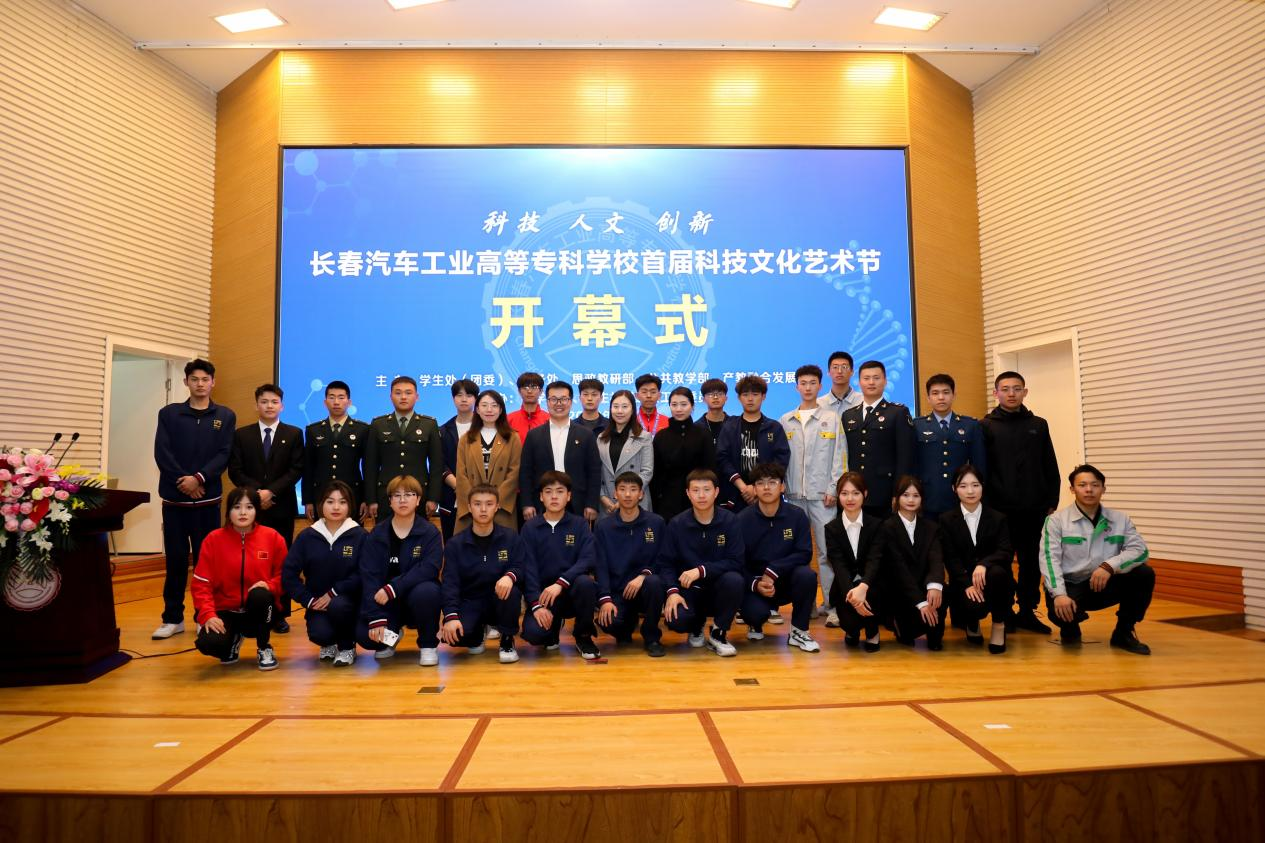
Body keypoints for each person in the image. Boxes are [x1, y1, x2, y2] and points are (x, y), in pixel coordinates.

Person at [152, 358, 236, 640]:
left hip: (207, 504)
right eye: (195, 379)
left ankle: (204, 616)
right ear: (186, 382)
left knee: (207, 563)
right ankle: (172, 618)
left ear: (213, 382)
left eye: (205, 379)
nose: (200, 384)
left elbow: (224, 454)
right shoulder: (169, 414)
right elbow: (162, 452)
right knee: (175, 562)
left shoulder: (225, 415)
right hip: (175, 502)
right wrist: (185, 482)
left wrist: (199, 479)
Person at [1041, 464, 1154, 655]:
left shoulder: (1120, 519)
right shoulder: (1056, 521)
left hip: (1103, 584)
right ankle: (1070, 627)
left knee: (1144, 574)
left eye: (1095, 485)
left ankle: (1123, 632)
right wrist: (1059, 594)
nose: (1089, 490)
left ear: (1103, 489)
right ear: (1072, 489)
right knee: (1061, 613)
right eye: (1082, 485)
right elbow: (1049, 560)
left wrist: (1109, 566)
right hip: (1071, 585)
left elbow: (1140, 551)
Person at [980, 371, 1061, 635]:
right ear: (996, 393)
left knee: (1031, 563)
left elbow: (1050, 464)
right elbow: (982, 469)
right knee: (1002, 563)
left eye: (1017, 388)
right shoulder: (986, 426)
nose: (1011, 393)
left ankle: (1027, 610)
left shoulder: (1038, 424)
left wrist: (1052, 499)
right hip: (998, 510)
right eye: (1005, 389)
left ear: (1025, 392)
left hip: (1033, 508)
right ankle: (1004, 613)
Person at [228, 383, 305, 632]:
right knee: (251, 559)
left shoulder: (293, 434)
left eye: (274, 402)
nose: (269, 406)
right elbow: (235, 470)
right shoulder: (242, 435)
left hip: (281, 506)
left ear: (282, 406)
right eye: (264, 402)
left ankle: (280, 613)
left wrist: (271, 492)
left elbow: (296, 469)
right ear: (256, 405)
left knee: (281, 561)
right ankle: (249, 609)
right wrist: (257, 494)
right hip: (249, 509)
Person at [191, 486, 287, 670]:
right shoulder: (213, 540)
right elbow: (201, 584)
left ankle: (264, 647)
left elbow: (285, 576)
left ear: (256, 511)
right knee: (209, 643)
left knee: (260, 594)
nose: (243, 512)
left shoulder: (273, 537)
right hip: (225, 610)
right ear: (228, 511)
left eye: (249, 507)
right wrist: (208, 615)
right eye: (237, 507)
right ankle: (233, 639)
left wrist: (270, 585)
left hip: (259, 610)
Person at [780, 364, 847, 626]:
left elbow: (840, 456)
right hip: (794, 496)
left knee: (827, 552)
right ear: (796, 386)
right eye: (803, 383)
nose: (807, 388)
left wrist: (834, 488)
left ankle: (831, 605)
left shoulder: (831, 418)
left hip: (823, 497)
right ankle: (804, 604)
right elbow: (782, 459)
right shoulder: (786, 419)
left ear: (820, 386)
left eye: (812, 383)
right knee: (797, 553)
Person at [356, 475, 444, 665]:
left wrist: (393, 588)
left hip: (416, 600)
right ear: (389, 501)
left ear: (418, 500)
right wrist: (376, 617)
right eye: (397, 495)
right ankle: (392, 637)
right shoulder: (377, 534)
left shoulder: (430, 532)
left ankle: (428, 645)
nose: (402, 500)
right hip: (386, 603)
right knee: (365, 636)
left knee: (428, 591)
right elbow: (369, 576)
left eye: (409, 494)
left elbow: (430, 568)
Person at [659, 469, 745, 657]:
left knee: (735, 580)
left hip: (719, 589)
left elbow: (736, 561)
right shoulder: (676, 524)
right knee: (677, 620)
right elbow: (666, 563)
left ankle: (718, 633)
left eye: (707, 489)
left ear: (716, 492)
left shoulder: (730, 521)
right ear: (688, 494)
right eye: (696, 490)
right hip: (688, 590)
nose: (701, 495)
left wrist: (701, 570)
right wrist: (672, 592)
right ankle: (695, 625)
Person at [735, 463, 821, 653]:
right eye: (760, 483)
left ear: (782, 487)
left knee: (807, 575)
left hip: (787, 581)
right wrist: (755, 584)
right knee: (754, 614)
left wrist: (774, 569)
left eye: (772, 482)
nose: (766, 487)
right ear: (754, 489)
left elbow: (804, 553)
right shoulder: (742, 520)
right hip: (758, 585)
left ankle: (799, 631)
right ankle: (755, 624)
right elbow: (737, 562)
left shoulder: (797, 516)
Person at [519, 471, 602, 659]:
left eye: (560, 491)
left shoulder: (580, 525)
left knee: (586, 583)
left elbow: (588, 559)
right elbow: (528, 569)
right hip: (544, 596)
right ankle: (554, 625)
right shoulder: (530, 528)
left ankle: (583, 636)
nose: (554, 497)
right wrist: (536, 605)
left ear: (569, 496)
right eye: (548, 492)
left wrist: (561, 582)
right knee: (535, 635)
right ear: (541, 497)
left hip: (572, 592)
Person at [282, 480, 364, 666]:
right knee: (320, 634)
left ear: (350, 505)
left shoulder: (359, 535)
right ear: (321, 504)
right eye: (330, 501)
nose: (336, 507)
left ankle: (347, 646)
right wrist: (309, 600)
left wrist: (334, 592)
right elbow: (288, 575)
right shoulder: (307, 537)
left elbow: (364, 573)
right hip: (318, 603)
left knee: (339, 606)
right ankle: (329, 643)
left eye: (342, 502)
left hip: (348, 602)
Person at [441, 484, 525, 664]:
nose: (483, 509)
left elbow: (521, 566)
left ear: (497, 507)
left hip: (499, 600)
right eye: (477, 504)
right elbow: (450, 583)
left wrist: (510, 576)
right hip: (470, 601)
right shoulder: (455, 544)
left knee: (512, 590)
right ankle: (477, 633)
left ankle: (507, 639)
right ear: (469, 507)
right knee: (455, 637)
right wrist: (450, 616)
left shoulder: (511, 538)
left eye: (489, 504)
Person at [938, 465, 1014, 654]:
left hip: (994, 580)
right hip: (964, 581)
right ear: (954, 489)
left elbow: (1005, 551)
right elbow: (950, 558)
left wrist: (984, 564)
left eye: (975, 485)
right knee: (972, 606)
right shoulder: (946, 520)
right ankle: (972, 622)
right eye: (963, 486)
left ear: (982, 486)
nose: (970, 491)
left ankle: (999, 625)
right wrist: (967, 584)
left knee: (997, 573)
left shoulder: (998, 518)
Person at [866, 475, 946, 650]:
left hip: (923, 586)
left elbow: (936, 560)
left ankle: (933, 632)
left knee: (940, 590)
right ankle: (896, 623)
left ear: (922, 499)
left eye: (916, 495)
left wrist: (934, 585)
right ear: (896, 499)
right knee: (907, 637)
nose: (911, 500)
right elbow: (898, 569)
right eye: (906, 495)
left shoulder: (931, 527)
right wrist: (921, 603)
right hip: (899, 591)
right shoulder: (886, 528)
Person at [594, 472, 668, 656]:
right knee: (609, 622)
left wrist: (644, 575)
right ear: (615, 494)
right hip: (618, 591)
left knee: (654, 582)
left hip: (645, 589)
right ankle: (625, 626)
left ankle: (651, 636)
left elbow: (663, 558)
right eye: (622, 489)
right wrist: (605, 599)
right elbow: (600, 566)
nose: (627, 494)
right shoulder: (603, 527)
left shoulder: (656, 522)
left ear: (641, 494)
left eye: (633, 489)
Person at [842, 360, 915, 522]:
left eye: (876, 378)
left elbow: (905, 457)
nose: (871, 382)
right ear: (859, 382)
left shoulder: (898, 412)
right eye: (866, 378)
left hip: (884, 492)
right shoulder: (848, 415)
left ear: (885, 381)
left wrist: (898, 492)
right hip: (854, 493)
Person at [363, 376, 444, 521]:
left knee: (418, 534)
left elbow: (436, 465)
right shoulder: (378, 424)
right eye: (398, 393)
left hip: (418, 495)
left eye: (408, 393)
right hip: (386, 496)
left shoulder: (429, 424)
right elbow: (370, 465)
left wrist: (433, 498)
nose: (403, 397)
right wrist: (371, 499)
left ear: (417, 397)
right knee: (385, 534)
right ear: (391, 397)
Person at [519, 381, 600, 521]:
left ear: (571, 402)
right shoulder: (534, 435)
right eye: (553, 399)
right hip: (541, 504)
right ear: (547, 402)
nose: (559, 403)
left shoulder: (586, 435)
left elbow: (594, 472)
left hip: (577, 504)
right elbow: (525, 472)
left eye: (563, 399)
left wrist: (592, 504)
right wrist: (527, 503)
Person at [914, 374, 986, 520]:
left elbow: (979, 464)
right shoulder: (917, 425)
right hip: (929, 496)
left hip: (961, 497)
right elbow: (912, 464)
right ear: (928, 398)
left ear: (953, 395)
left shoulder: (970, 425)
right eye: (935, 393)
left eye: (946, 392)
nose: (941, 397)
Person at [826, 472, 883, 651]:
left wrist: (863, 587)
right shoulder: (831, 528)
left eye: (855, 493)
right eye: (844, 493)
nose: (850, 499)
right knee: (850, 623)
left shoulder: (877, 525)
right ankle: (852, 630)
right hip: (846, 586)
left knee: (873, 597)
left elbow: (875, 560)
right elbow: (838, 565)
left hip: (871, 584)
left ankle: (873, 632)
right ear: (838, 496)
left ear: (864, 494)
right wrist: (854, 598)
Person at [715, 375, 790, 512]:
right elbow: (722, 458)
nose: (750, 399)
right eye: (745, 395)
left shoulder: (774, 427)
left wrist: (757, 487)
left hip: (767, 494)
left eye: (755, 394)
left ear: (763, 396)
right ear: (739, 398)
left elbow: (781, 460)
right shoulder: (730, 426)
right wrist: (743, 487)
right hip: (735, 494)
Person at [303, 380, 370, 523]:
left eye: (341, 397)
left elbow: (367, 467)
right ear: (325, 402)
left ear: (349, 402)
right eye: (332, 397)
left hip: (352, 496)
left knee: (352, 535)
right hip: (321, 496)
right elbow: (308, 468)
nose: (336, 402)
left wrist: (366, 499)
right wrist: (308, 500)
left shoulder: (362, 429)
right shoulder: (313, 430)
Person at [455, 389, 521, 531]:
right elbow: (461, 474)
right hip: (472, 508)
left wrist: (494, 501)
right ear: (477, 409)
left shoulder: (512, 437)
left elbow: (514, 472)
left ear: (501, 410)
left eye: (494, 405)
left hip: (501, 505)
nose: (489, 410)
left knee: (502, 542)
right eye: (484, 405)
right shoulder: (466, 438)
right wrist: (475, 502)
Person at [650, 387, 716, 520]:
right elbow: (656, 473)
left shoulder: (703, 434)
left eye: (684, 404)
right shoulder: (661, 436)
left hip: (698, 497)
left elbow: (711, 468)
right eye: (674, 405)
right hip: (668, 501)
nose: (678, 409)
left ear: (692, 406)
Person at [597, 389, 654, 518]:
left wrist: (625, 497)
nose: (619, 411)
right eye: (615, 406)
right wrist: (602, 497)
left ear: (632, 410)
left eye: (624, 407)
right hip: (608, 504)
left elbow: (647, 472)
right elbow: (596, 472)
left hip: (635, 501)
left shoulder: (644, 437)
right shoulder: (601, 438)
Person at [439, 378, 478, 541]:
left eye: (469, 395)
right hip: (452, 497)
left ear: (476, 399)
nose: (464, 399)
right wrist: (458, 485)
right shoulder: (442, 431)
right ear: (453, 398)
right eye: (459, 395)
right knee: (453, 544)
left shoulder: (488, 428)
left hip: (482, 497)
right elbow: (439, 464)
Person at [817, 351, 863, 418]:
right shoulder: (818, 404)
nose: (839, 371)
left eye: (844, 367)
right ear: (829, 372)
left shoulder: (863, 401)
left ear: (852, 372)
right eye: (835, 367)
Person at [507, 371, 547, 443]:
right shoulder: (509, 420)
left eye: (534, 387)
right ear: (519, 391)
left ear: (541, 391)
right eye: (525, 387)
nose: (529, 391)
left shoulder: (549, 420)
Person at [698, 378, 730, 447]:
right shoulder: (696, 427)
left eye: (720, 394)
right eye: (710, 394)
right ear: (703, 399)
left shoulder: (734, 425)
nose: (715, 397)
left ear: (726, 398)